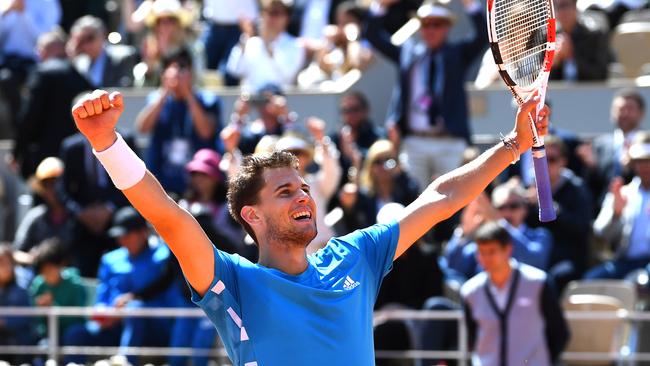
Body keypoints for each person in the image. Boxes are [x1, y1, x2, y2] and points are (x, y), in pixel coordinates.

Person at [70, 87, 548, 365]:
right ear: (251, 217)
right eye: (285, 192)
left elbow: (440, 198)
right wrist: (106, 143)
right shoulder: (233, 280)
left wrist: (512, 144)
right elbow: (168, 217)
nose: (303, 196)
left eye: (302, 188)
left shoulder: (356, 255)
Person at [365, 0, 487, 190]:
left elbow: (482, 36)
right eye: (425, 24)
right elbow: (373, 37)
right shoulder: (408, 54)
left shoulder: (457, 54)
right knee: (415, 201)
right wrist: (381, 5)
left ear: (447, 27)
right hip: (414, 141)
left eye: (436, 24)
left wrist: (470, 4)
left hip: (450, 141)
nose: (430, 29)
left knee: (454, 199)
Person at [63, 206, 181, 365]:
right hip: (114, 328)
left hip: (153, 329)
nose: (122, 240)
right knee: (75, 334)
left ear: (143, 232)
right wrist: (106, 313)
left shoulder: (163, 257)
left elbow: (169, 301)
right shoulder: (110, 260)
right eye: (120, 236)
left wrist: (129, 309)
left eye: (128, 235)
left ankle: (125, 361)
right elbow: (101, 299)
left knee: (135, 310)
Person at [461, 221, 569, 366]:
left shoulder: (538, 283)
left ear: (508, 249)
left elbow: (559, 332)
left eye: (492, 251)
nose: (485, 258)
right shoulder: (470, 291)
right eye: (481, 252)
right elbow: (473, 337)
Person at [136, 47, 222, 195]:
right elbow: (142, 128)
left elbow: (206, 132)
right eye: (169, 67)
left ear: (191, 72)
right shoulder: (156, 99)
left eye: (182, 67)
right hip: (162, 183)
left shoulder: (208, 100)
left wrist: (188, 93)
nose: (177, 73)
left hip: (197, 184)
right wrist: (165, 91)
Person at [12, 29, 93, 180]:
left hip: (45, 155)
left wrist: (17, 151)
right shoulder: (80, 76)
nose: (38, 53)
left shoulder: (42, 72)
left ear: (50, 49)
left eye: (40, 49)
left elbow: (29, 116)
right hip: (75, 155)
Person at [585, 131, 650, 280]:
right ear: (632, 163)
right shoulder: (622, 193)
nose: (645, 166)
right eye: (640, 161)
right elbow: (600, 233)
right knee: (591, 280)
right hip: (624, 263)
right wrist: (616, 214)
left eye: (649, 160)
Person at [577, 89, 646, 207]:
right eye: (620, 109)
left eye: (629, 109)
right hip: (605, 210)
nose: (624, 113)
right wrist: (591, 168)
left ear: (641, 113)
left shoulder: (646, 143)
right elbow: (593, 185)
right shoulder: (600, 145)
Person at [0, 0, 61, 133]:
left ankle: (29, 128)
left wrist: (24, 13)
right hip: (9, 61)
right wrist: (5, 13)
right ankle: (20, 127)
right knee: (6, 79)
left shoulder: (48, 3)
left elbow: (45, 36)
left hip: (36, 60)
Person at [226, 0, 306, 90]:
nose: (271, 18)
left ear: (287, 18)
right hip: (250, 100)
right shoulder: (251, 42)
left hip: (279, 101)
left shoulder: (296, 45)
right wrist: (246, 37)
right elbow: (234, 69)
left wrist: (268, 45)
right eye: (268, 12)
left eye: (276, 13)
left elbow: (288, 75)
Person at [28, 238, 86, 341]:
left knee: (74, 335)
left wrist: (52, 307)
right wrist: (40, 310)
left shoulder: (74, 284)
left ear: (61, 265)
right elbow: (36, 322)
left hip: (72, 332)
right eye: (44, 270)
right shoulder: (38, 285)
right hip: (48, 335)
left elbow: (77, 317)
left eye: (50, 269)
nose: (47, 274)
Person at [14, 157, 75, 253]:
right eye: (47, 185)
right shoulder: (35, 216)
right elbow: (17, 251)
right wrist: (38, 259)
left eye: (55, 183)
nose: (53, 190)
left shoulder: (77, 217)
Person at [67, 15, 137, 88]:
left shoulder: (122, 57)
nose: (86, 44)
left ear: (102, 34)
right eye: (81, 41)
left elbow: (124, 88)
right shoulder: (79, 63)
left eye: (90, 38)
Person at [550, 0, 610, 81]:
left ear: (575, 7)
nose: (561, 12)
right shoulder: (550, 36)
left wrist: (571, 54)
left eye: (565, 6)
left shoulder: (594, 34)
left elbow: (600, 75)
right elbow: (549, 83)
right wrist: (556, 62)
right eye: (557, 7)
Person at [0, 244, 34, 364]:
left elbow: (27, 317)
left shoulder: (21, 289)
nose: (4, 268)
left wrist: (5, 322)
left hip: (18, 343)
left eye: (7, 263)